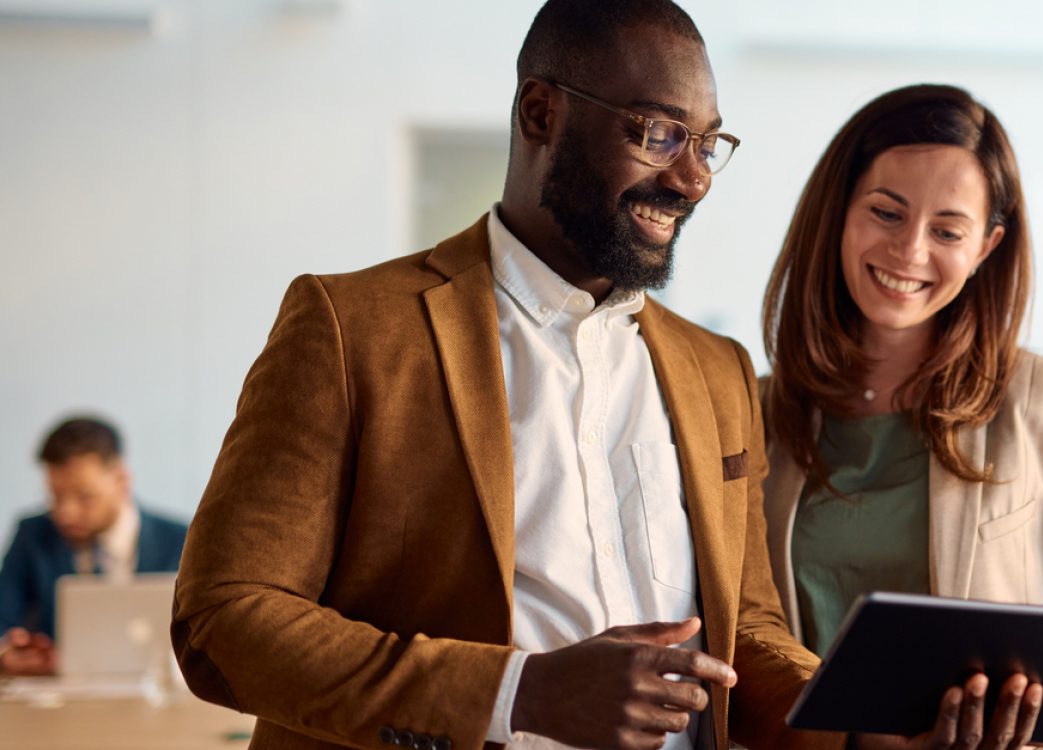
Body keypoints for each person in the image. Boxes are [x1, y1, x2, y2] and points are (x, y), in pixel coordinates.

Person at [171, 2, 848, 750]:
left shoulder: (716, 369)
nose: (693, 179)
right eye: (659, 134)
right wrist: (519, 693)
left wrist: (862, 723)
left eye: (709, 143)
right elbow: (224, 617)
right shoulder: (350, 327)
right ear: (540, 113)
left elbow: (743, 626)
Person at [760, 84, 1043, 750]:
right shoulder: (753, 411)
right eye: (886, 212)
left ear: (986, 247)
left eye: (947, 231)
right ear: (839, 213)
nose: (910, 251)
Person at [0, 416, 188, 676]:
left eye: (84, 496)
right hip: (58, 702)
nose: (65, 513)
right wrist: (7, 653)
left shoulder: (182, 539)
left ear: (121, 480)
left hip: (158, 698)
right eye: (55, 496)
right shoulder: (32, 535)